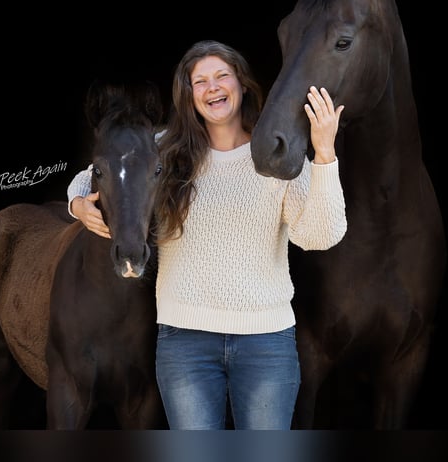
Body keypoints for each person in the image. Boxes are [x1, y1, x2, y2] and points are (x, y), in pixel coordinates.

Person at [67, 39, 346, 429]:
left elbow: (322, 235)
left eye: (221, 76)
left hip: (266, 343)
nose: (212, 87)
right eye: (200, 81)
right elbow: (98, 173)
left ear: (242, 84)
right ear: (189, 95)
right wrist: (78, 204)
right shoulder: (164, 150)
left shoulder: (277, 155)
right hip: (185, 343)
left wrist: (324, 153)